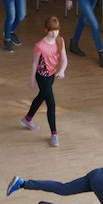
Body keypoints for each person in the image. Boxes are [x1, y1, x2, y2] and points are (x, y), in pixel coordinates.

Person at [20, 16, 67, 148]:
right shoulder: (39, 46)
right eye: (52, 31)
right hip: (42, 77)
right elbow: (35, 64)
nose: (55, 33)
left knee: (41, 96)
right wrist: (31, 80)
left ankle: (27, 119)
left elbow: (64, 60)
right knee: (51, 104)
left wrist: (62, 71)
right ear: (46, 30)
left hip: (51, 75)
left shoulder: (60, 40)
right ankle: (54, 134)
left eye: (57, 30)